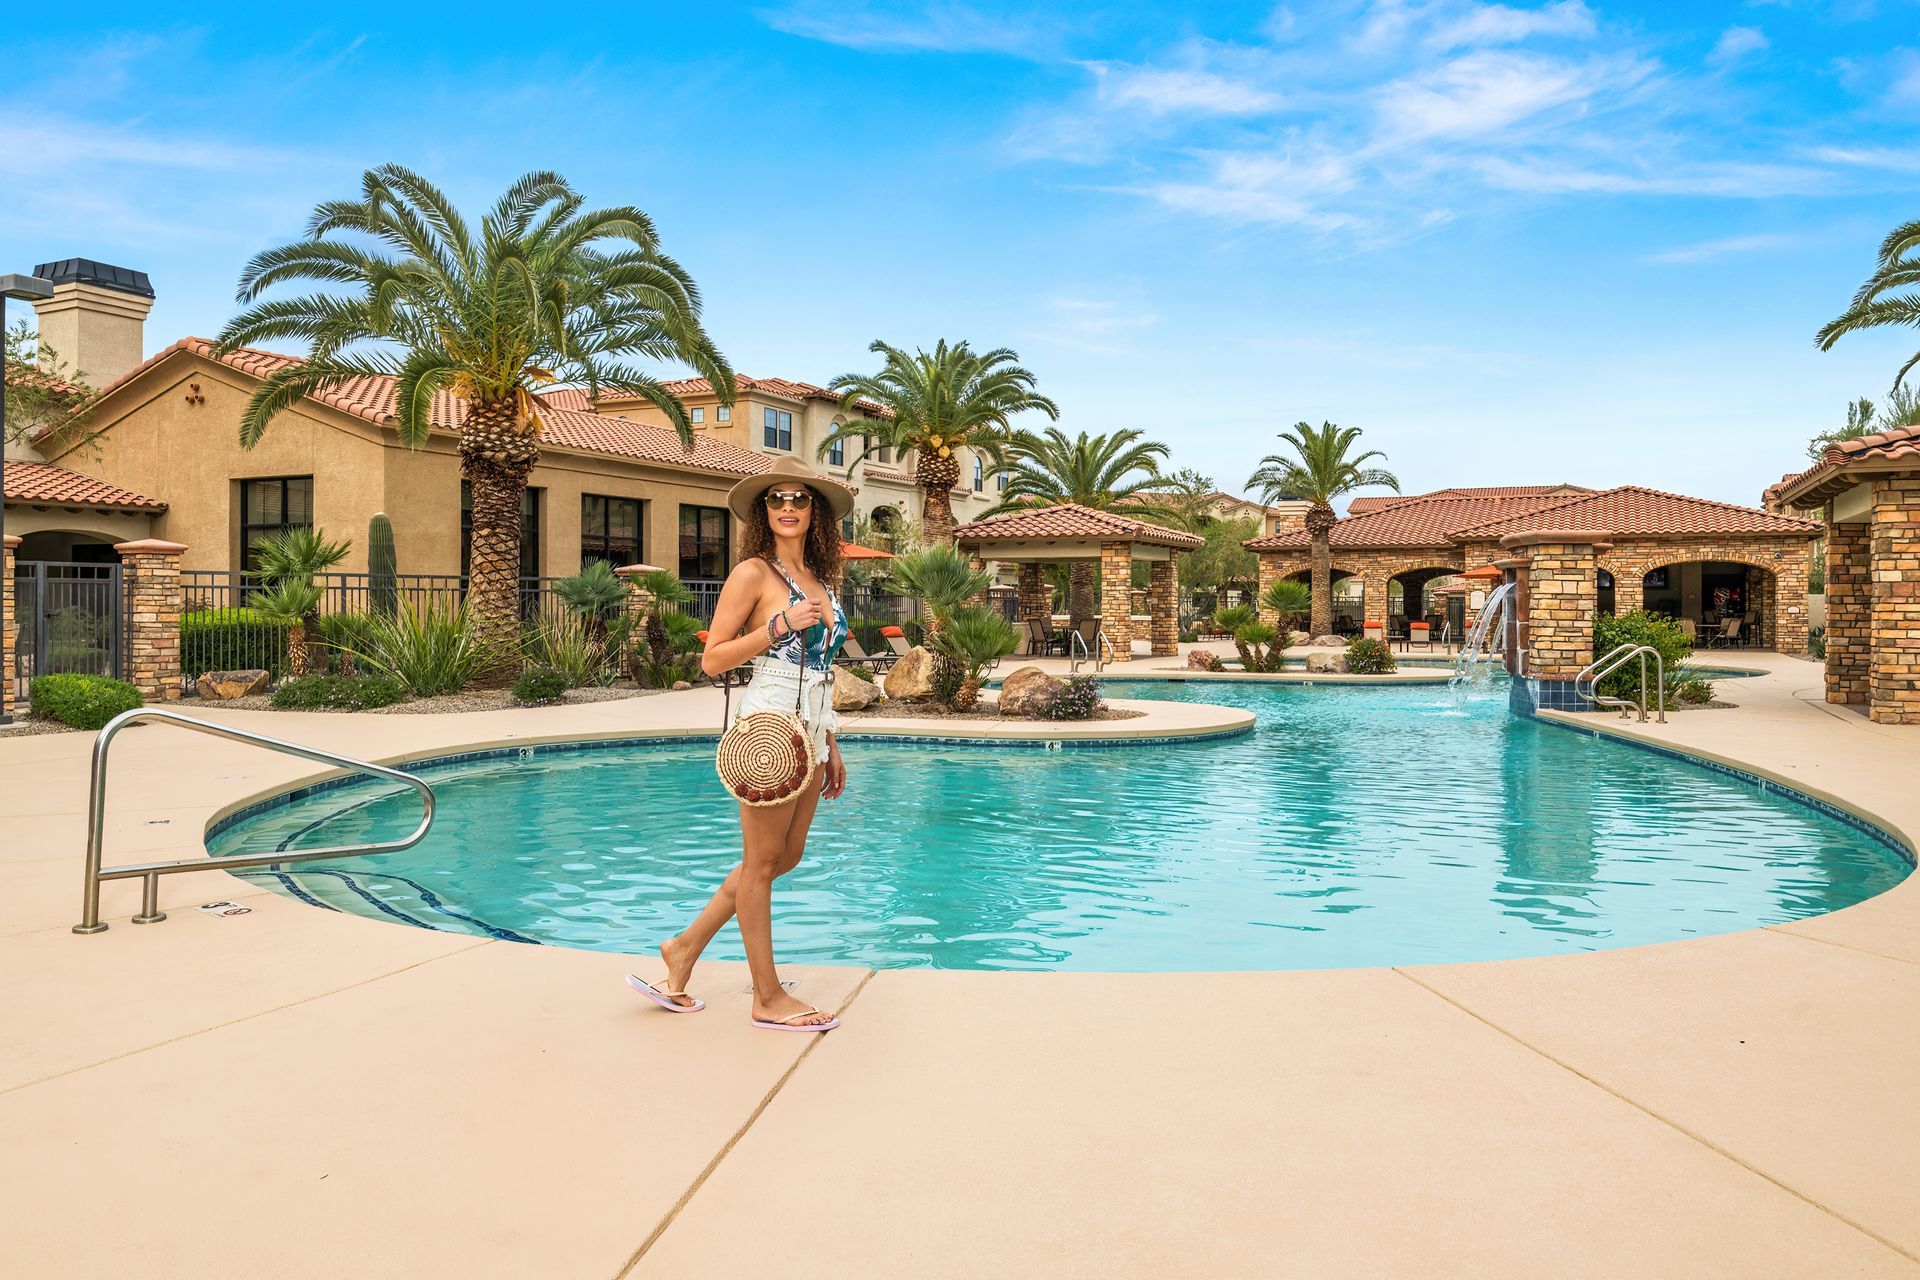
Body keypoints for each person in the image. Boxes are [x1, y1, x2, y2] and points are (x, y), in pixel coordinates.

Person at [627, 456, 852, 1032]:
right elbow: (712, 659)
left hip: (811, 724)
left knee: (785, 857)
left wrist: (831, 742)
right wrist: (776, 628)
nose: (788, 507)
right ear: (763, 511)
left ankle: (683, 949)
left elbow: (822, 665)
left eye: (800, 498)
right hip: (769, 727)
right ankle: (767, 996)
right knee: (760, 863)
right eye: (776, 499)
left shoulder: (823, 580)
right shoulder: (753, 573)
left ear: (815, 511)